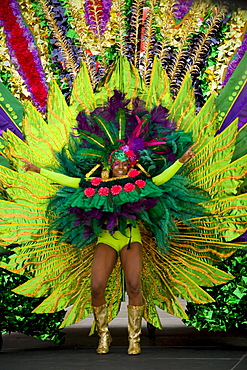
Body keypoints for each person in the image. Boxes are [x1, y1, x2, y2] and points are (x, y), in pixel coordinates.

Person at [22, 145, 194, 355]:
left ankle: (134, 338)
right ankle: (104, 334)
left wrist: (181, 160)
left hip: (131, 238)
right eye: (116, 164)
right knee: (96, 287)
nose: (120, 168)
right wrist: (38, 170)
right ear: (109, 166)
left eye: (124, 164)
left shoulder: (137, 183)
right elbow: (70, 181)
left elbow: (160, 180)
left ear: (129, 166)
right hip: (107, 238)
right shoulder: (97, 184)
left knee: (133, 285)